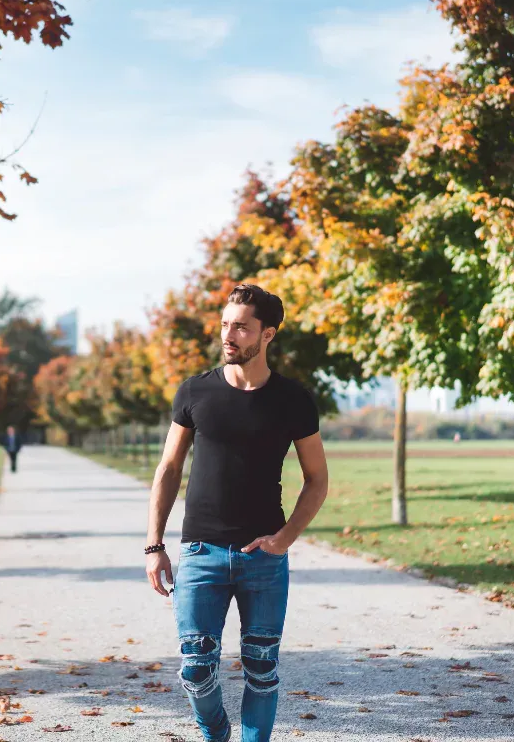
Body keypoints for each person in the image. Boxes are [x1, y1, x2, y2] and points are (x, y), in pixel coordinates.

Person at [145, 283, 330, 742]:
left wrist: (284, 539)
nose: (229, 335)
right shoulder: (195, 392)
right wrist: (154, 545)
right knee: (195, 670)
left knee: (262, 673)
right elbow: (168, 469)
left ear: (267, 335)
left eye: (242, 328)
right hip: (201, 552)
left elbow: (317, 478)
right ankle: (216, 733)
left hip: (263, 558)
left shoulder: (293, 399)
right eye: (226, 325)